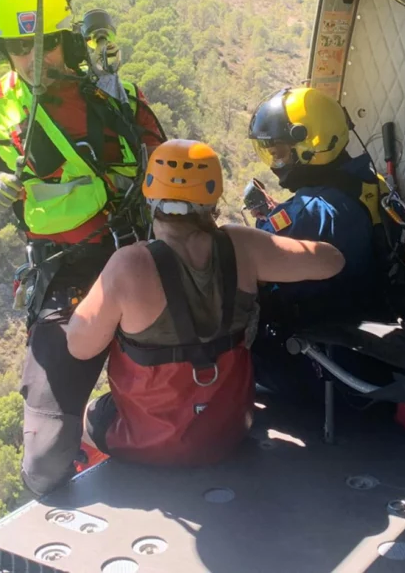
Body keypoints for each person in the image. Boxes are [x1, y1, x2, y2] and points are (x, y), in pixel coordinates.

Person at [0, 0, 166, 495]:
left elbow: (168, 174)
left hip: (139, 263)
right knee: (43, 464)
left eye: (45, 42)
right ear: (2, 49)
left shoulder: (119, 97)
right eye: (20, 46)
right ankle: (92, 433)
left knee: (185, 405)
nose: (33, 56)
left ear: (67, 40)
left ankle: (118, 421)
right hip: (64, 276)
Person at [61, 139, 345, 465]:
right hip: (230, 428)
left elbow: (79, 346)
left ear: (150, 196)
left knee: (91, 415)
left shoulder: (128, 266)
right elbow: (331, 261)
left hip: (150, 441)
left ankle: (105, 477)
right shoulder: (243, 245)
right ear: (212, 196)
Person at [245, 86, 387, 326]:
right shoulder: (368, 180)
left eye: (279, 153)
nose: (274, 163)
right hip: (370, 303)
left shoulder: (310, 211)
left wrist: (264, 218)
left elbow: (258, 254)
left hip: (325, 330)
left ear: (314, 145)